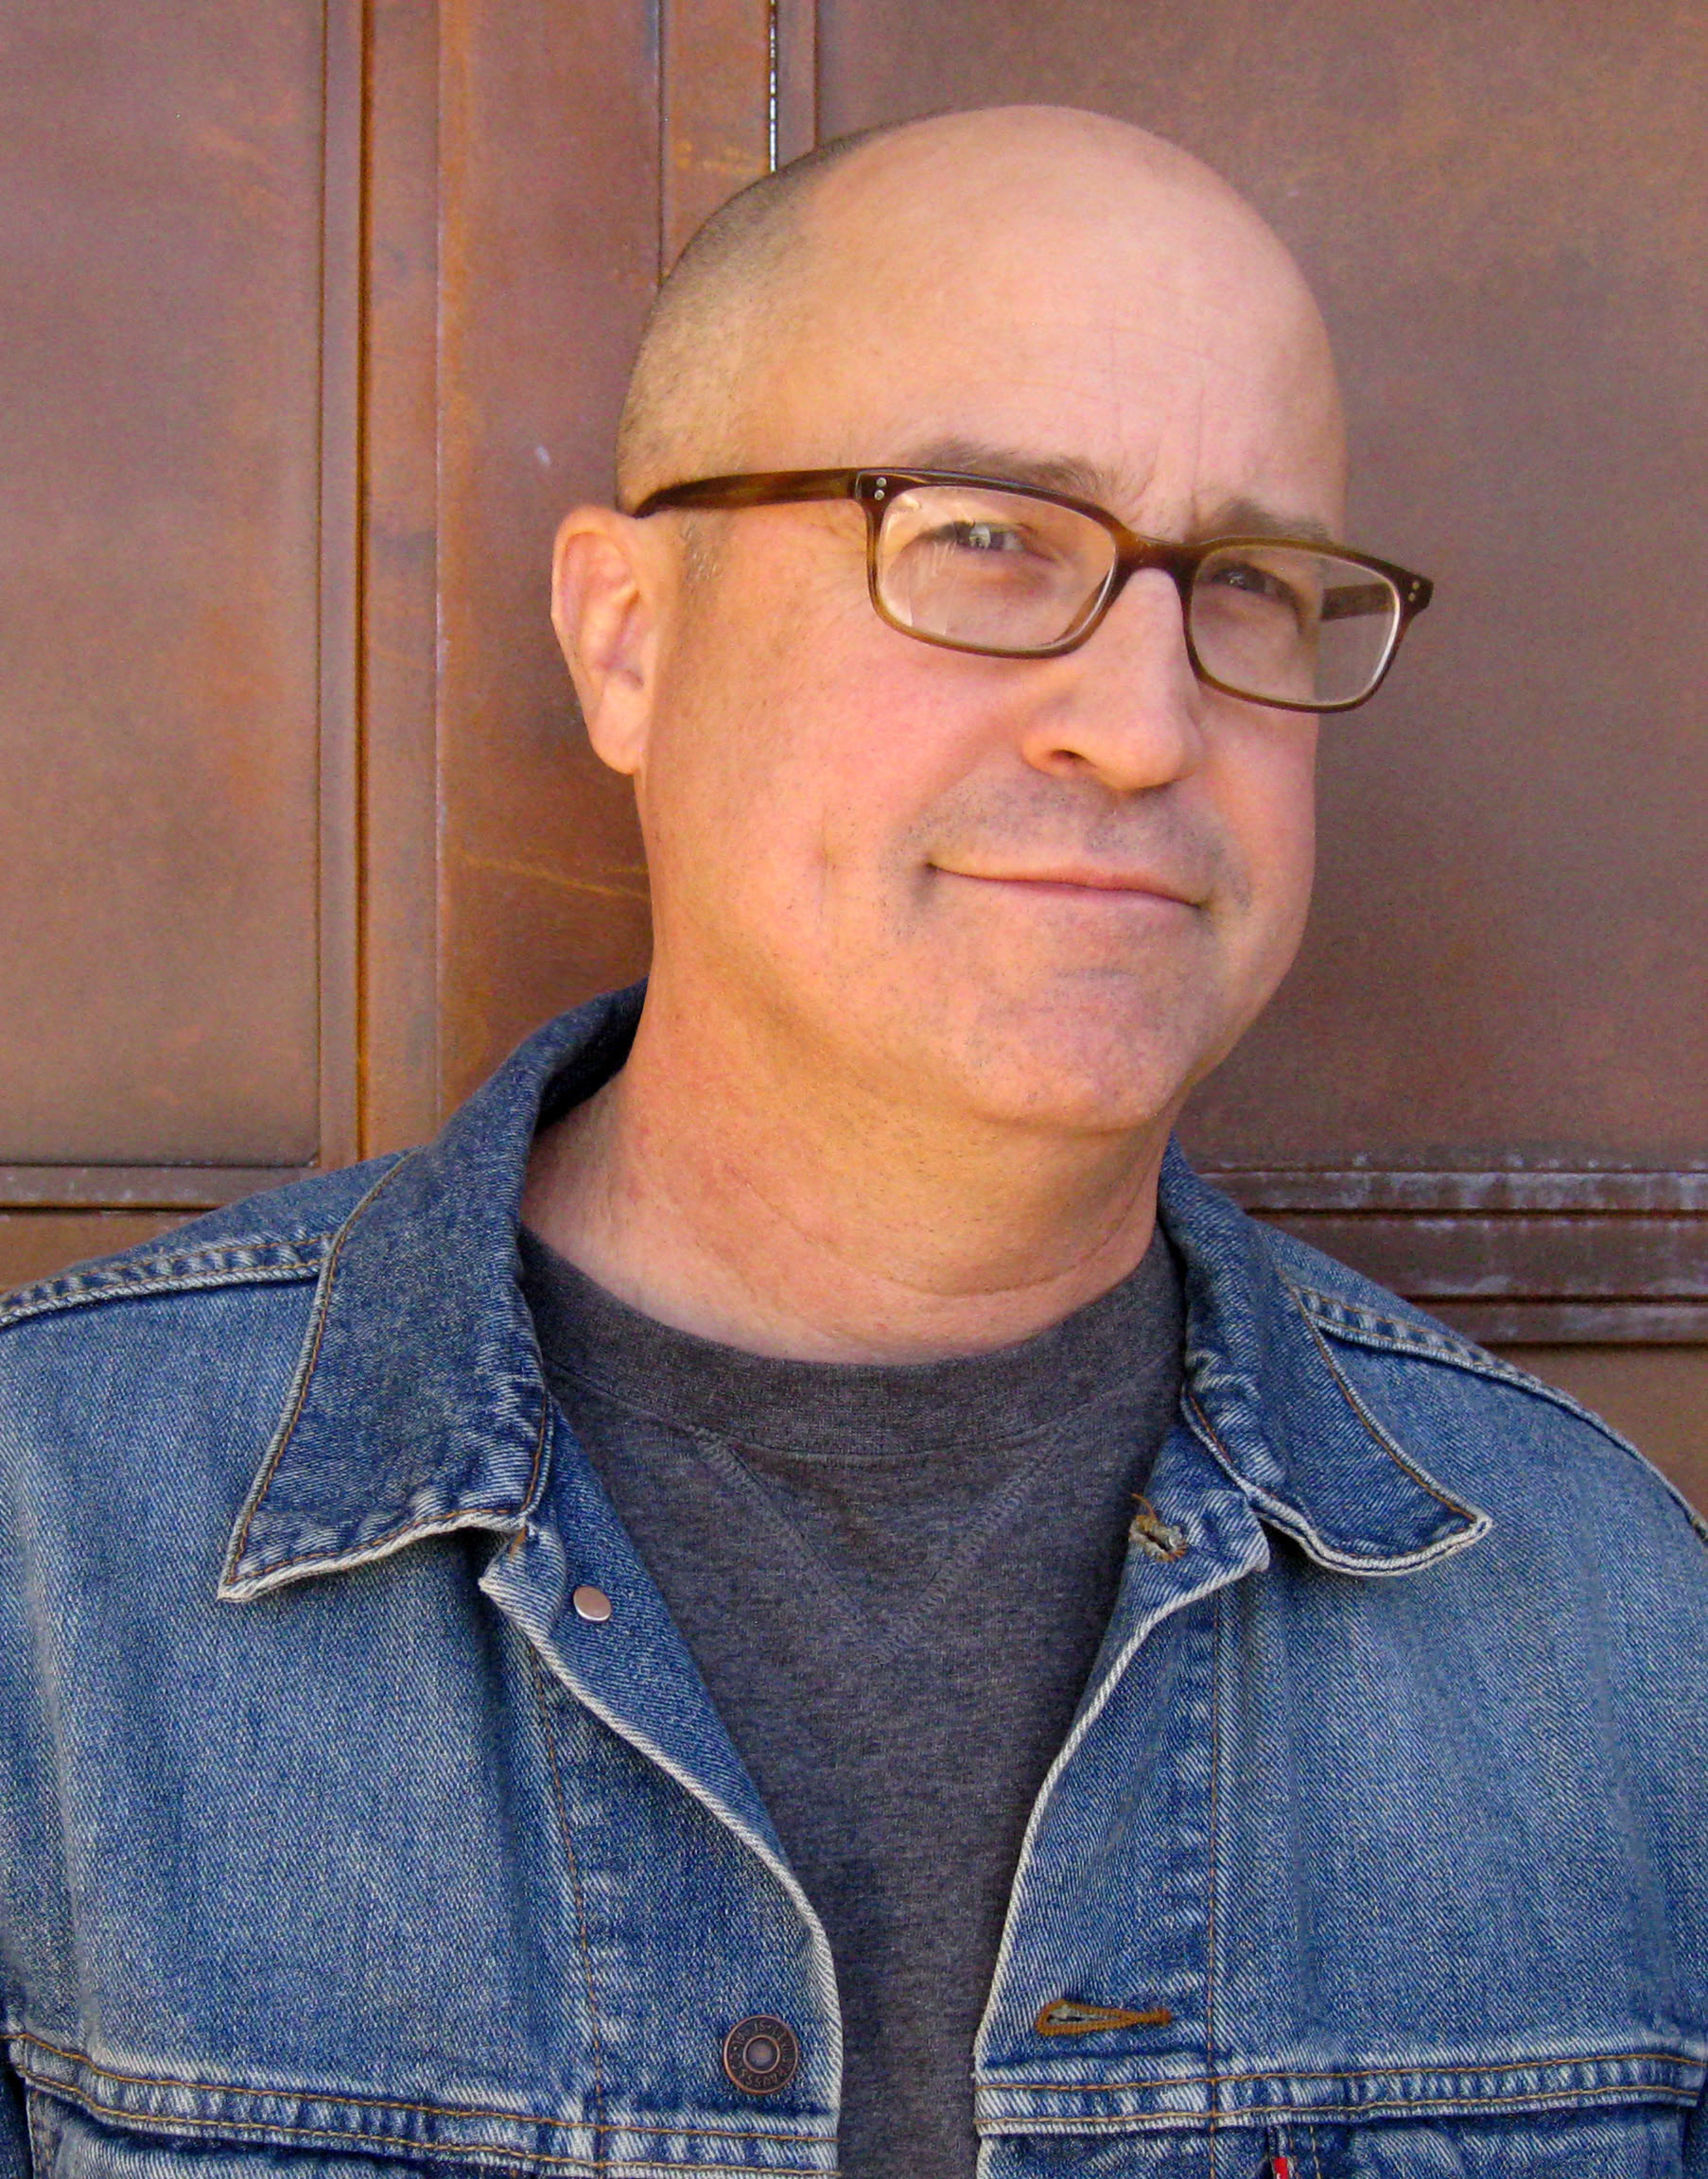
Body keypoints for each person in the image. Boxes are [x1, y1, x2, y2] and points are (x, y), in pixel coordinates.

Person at [2, 106, 1703, 2179]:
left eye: (1249, 584)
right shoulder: (50, 1551)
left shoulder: (1602, 1616)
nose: (1144, 726)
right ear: (629, 639)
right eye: (985, 538)